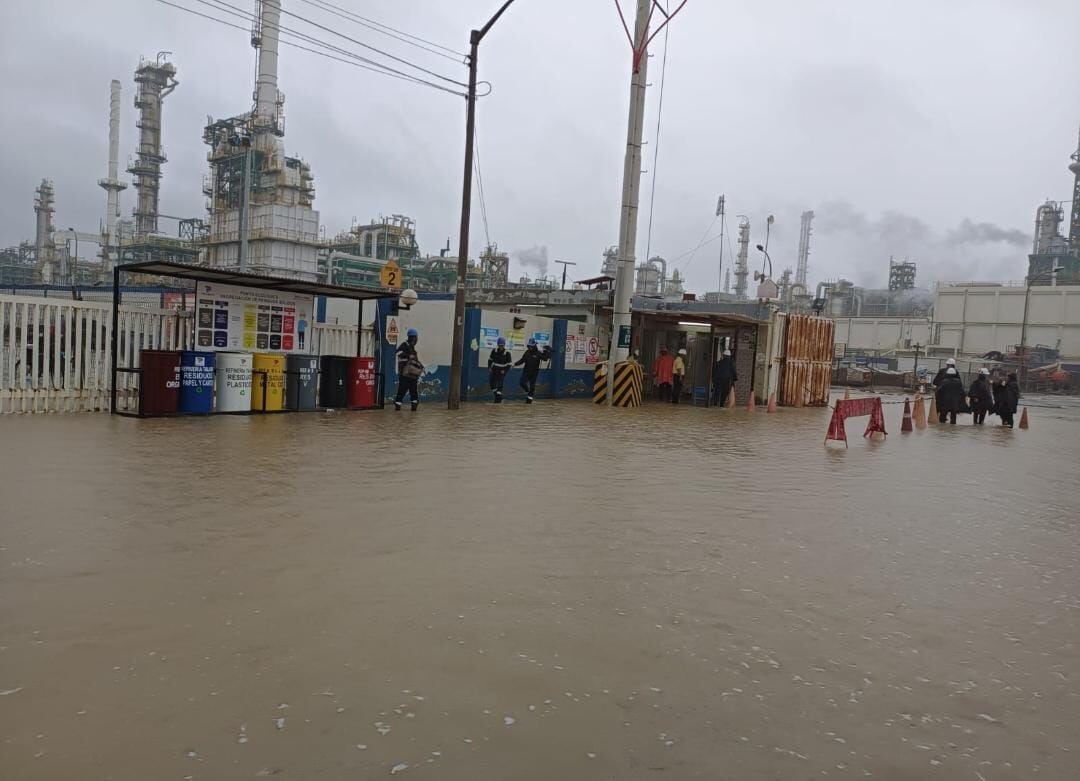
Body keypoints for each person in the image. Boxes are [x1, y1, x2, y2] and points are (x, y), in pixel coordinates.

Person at [393, 327, 423, 411]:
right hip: (404, 373)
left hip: (412, 374)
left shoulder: (412, 348)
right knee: (402, 389)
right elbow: (398, 353)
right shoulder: (404, 345)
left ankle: (414, 405)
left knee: (413, 390)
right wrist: (408, 356)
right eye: (415, 337)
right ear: (412, 337)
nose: (416, 339)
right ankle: (398, 405)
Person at [514, 338, 551, 403]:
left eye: (531, 346)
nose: (530, 347)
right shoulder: (527, 352)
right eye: (529, 346)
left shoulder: (538, 353)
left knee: (532, 386)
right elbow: (522, 360)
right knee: (522, 382)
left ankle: (529, 400)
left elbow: (545, 359)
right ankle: (527, 390)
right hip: (526, 371)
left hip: (534, 373)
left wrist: (546, 352)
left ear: (534, 346)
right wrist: (515, 364)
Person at [488, 337, 513, 403]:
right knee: (492, 384)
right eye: (499, 345)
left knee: (500, 384)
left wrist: (504, 370)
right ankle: (498, 396)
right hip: (494, 370)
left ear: (504, 345)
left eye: (502, 345)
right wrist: (489, 367)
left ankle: (498, 401)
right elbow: (490, 360)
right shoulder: (494, 351)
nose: (501, 346)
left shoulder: (507, 353)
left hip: (502, 371)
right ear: (498, 345)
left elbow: (509, 364)